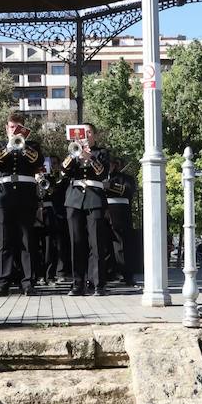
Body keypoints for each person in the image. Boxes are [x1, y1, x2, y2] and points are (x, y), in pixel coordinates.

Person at [0, 112, 42, 296]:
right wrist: (10, 147)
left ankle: (28, 282)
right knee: (5, 241)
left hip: (26, 195)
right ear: (6, 128)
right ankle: (3, 282)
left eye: (18, 127)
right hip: (4, 196)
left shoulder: (32, 145)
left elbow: (38, 162)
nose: (14, 130)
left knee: (27, 240)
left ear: (24, 129)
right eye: (11, 127)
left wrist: (23, 146)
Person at [63, 123, 112, 296]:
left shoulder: (101, 152)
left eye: (89, 132)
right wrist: (75, 154)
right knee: (76, 243)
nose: (86, 135)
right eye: (84, 133)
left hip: (94, 198)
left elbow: (102, 173)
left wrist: (89, 158)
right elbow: (64, 170)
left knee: (96, 243)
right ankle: (78, 283)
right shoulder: (73, 151)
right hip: (74, 199)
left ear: (94, 136)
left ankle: (98, 284)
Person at [105, 157, 137, 288]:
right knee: (104, 246)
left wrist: (110, 186)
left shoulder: (126, 178)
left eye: (111, 164)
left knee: (121, 246)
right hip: (103, 213)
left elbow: (128, 190)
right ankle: (107, 273)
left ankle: (126, 275)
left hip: (119, 214)